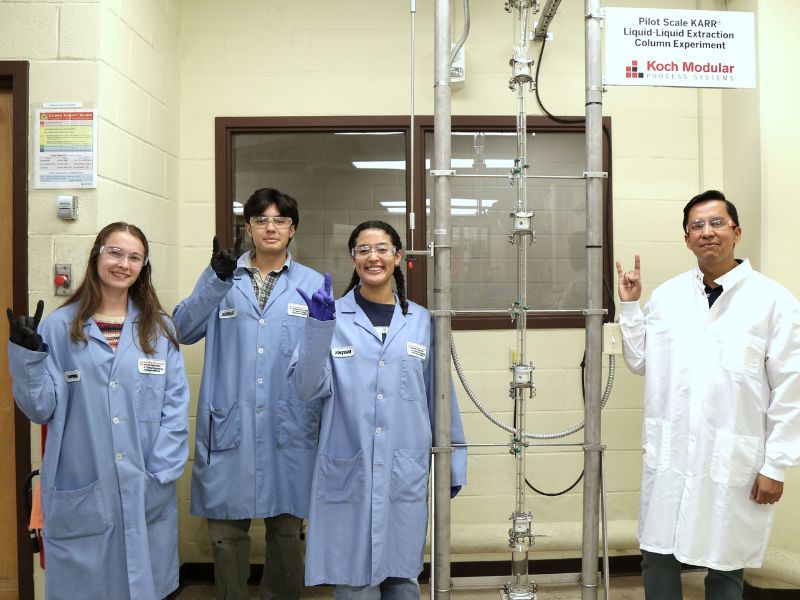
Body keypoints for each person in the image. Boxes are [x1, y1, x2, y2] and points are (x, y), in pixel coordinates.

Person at [615, 190, 800, 599]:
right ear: (686, 240)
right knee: (658, 555)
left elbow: (792, 389)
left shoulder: (773, 302)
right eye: (696, 226)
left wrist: (776, 465)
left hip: (735, 457)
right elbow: (641, 362)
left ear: (736, 231)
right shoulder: (668, 297)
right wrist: (630, 308)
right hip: (673, 452)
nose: (707, 232)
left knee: (726, 561)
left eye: (717, 223)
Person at [6, 222, 189, 600]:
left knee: (146, 584)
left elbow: (175, 406)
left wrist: (161, 470)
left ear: (143, 267)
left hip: (146, 482)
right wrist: (26, 356)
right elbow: (40, 408)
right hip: (83, 481)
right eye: (115, 252)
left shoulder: (159, 328)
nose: (124, 264)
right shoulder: (59, 328)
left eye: (134, 257)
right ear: (97, 255)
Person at [289, 220, 468, 599]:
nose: (374, 257)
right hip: (348, 468)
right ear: (353, 259)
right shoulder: (329, 317)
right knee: (355, 584)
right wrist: (318, 328)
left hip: (404, 468)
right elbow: (305, 388)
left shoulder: (422, 321)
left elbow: (441, 395)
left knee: (403, 579)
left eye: (383, 248)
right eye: (364, 250)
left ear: (398, 257)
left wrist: (453, 460)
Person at [173, 188, 324, 600]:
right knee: (225, 535)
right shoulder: (223, 278)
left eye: (279, 220)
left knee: (287, 533)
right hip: (229, 423)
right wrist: (214, 279)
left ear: (292, 229)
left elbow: (322, 354)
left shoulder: (312, 284)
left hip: (288, 423)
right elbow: (181, 330)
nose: (270, 227)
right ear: (248, 228)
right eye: (261, 220)